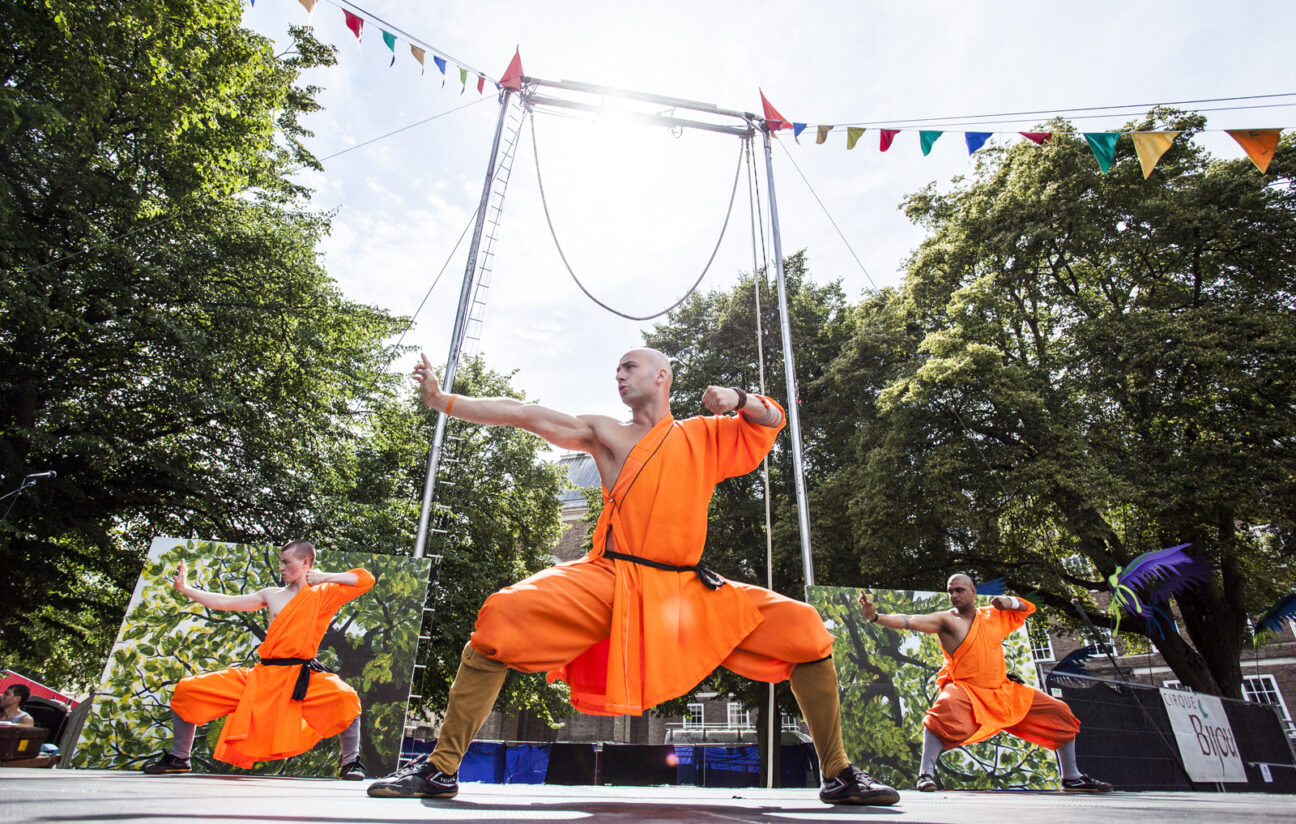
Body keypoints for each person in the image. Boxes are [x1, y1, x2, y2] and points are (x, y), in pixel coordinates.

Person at [368, 349, 898, 806]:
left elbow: (770, 420)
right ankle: (439, 769)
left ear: (663, 377)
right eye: (616, 369)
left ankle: (838, 776)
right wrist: (444, 402)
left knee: (805, 629)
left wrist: (736, 398)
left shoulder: (702, 437)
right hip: (610, 579)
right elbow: (525, 414)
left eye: (629, 366)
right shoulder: (604, 433)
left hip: (686, 590)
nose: (619, 376)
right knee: (501, 616)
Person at [141, 540, 374, 779]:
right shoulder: (271, 594)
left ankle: (351, 763)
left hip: (299, 679)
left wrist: (324, 577)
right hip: (262, 677)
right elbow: (226, 602)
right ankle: (179, 758)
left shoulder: (323, 594)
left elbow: (366, 580)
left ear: (305, 563)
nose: (281, 568)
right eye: (280, 562)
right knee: (189, 689)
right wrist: (187, 589)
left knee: (344, 697)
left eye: (286, 562)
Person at [859, 574, 1113, 793]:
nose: (954, 595)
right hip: (966, 690)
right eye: (950, 591)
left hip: (1003, 690)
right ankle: (925, 774)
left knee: (1060, 712)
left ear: (973, 592)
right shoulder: (946, 620)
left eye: (959, 590)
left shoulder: (993, 615)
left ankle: (1071, 777)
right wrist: (875, 617)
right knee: (939, 714)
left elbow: (1027, 608)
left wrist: (1009, 601)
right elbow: (909, 620)